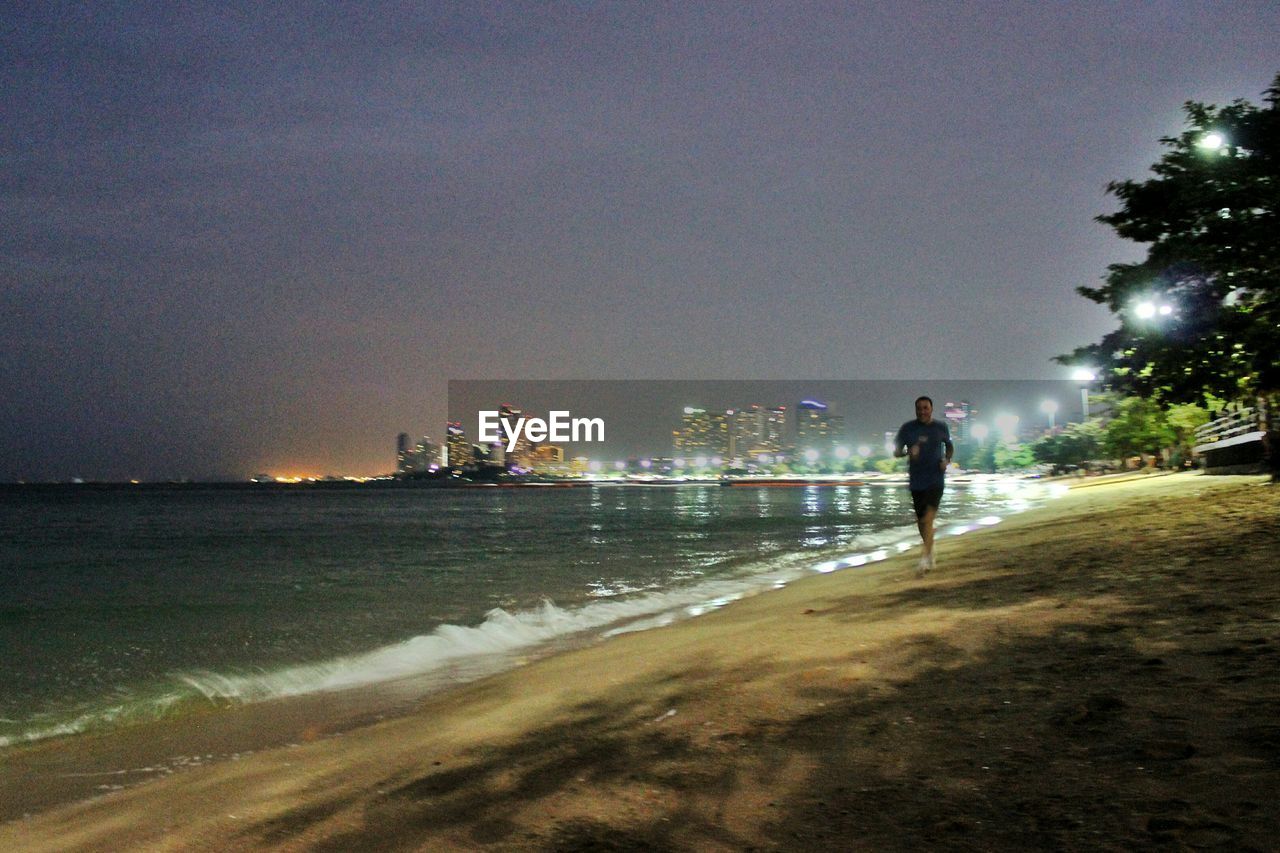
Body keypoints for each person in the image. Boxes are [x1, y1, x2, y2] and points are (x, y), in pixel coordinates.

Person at [894, 396, 954, 575]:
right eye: (919, 408)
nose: (922, 411)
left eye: (926, 408)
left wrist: (946, 460)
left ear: (931, 409)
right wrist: (907, 452)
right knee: (922, 522)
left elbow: (949, 446)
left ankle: (925, 558)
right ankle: (931, 548)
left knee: (928, 518)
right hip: (916, 481)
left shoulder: (941, 427)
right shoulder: (907, 428)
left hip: (936, 479)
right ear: (915, 409)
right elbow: (896, 451)